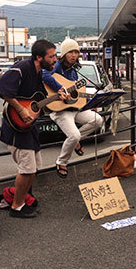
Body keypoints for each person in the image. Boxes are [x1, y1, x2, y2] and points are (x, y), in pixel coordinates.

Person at [0, 40, 60, 218]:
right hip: (16, 128)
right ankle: (16, 206)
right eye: (51, 56)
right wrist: (21, 109)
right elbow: (1, 88)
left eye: (55, 55)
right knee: (27, 169)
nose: (55, 59)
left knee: (34, 168)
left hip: (29, 128)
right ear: (39, 57)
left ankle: (21, 199)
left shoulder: (39, 73)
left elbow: (39, 102)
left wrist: (59, 98)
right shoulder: (22, 67)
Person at [42, 38, 104, 178]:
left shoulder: (74, 71)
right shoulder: (56, 66)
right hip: (60, 110)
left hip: (74, 108)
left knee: (97, 120)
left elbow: (76, 93)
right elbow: (44, 75)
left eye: (76, 52)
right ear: (64, 53)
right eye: (71, 52)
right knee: (74, 135)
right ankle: (61, 162)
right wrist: (60, 88)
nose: (74, 55)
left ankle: (76, 142)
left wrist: (89, 101)